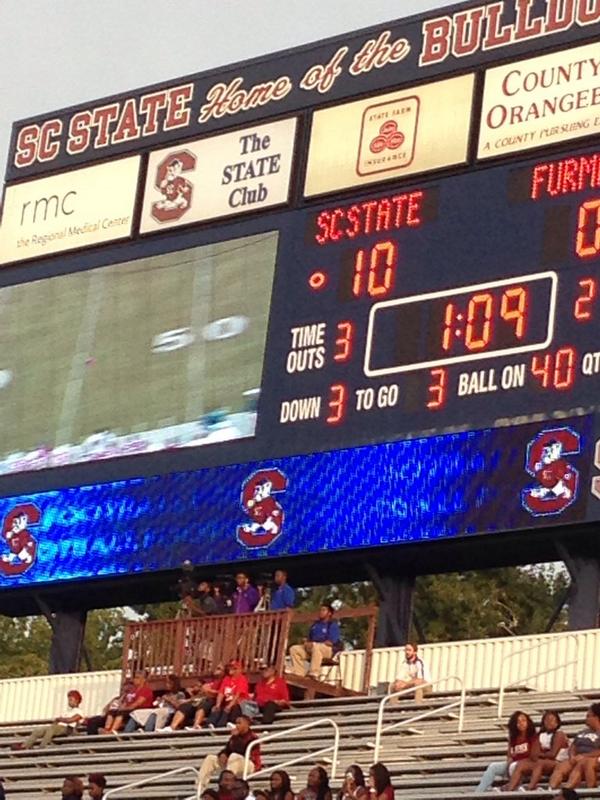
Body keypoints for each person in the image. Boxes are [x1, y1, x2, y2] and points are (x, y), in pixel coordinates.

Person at [474, 710, 536, 792]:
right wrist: (509, 763)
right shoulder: (513, 738)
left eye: (524, 720)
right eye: (518, 721)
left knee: (515, 766)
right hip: (513, 764)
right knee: (493, 766)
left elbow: (534, 756)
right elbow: (510, 755)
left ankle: (511, 787)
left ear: (528, 722)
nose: (521, 723)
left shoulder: (533, 737)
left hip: (526, 765)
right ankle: (479, 792)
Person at [507, 709, 569, 790]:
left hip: (558, 762)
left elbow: (552, 754)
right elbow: (534, 752)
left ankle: (531, 787)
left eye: (552, 720)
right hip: (543, 760)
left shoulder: (559, 734)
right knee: (520, 764)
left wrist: (538, 754)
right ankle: (510, 789)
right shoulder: (540, 734)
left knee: (539, 763)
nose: (549, 722)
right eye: (546, 720)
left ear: (557, 722)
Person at [197, 715, 262, 792]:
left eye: (239, 723)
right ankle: (200, 788)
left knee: (234, 756)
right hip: (233, 763)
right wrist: (223, 754)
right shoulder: (235, 737)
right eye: (236, 723)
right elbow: (227, 749)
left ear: (246, 724)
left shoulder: (253, 737)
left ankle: (227, 788)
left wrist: (236, 737)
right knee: (210, 758)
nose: (236, 725)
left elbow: (241, 750)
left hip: (250, 764)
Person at [549, 703, 600, 790]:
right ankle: (551, 789)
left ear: (596, 717)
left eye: (588, 716)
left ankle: (568, 790)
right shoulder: (582, 732)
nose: (586, 719)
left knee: (584, 763)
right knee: (561, 766)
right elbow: (573, 746)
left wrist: (584, 756)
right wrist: (572, 756)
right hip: (578, 758)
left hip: (592, 758)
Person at [14, 690, 85, 749]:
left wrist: (60, 719)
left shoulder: (79, 711)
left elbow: (71, 720)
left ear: (77, 700)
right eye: (69, 700)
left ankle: (42, 747)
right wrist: (58, 720)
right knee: (38, 730)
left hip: (68, 728)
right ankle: (25, 746)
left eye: (71, 700)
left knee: (51, 729)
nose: (69, 702)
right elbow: (58, 721)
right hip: (59, 727)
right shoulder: (67, 711)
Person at [164, 667, 225, 732]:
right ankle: (172, 727)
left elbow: (221, 692)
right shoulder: (211, 681)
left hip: (212, 700)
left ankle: (195, 726)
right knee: (184, 706)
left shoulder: (224, 681)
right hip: (201, 699)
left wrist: (209, 690)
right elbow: (201, 692)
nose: (215, 670)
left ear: (223, 672)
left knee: (202, 704)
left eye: (218, 669)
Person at [289, 604, 341, 679]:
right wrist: (306, 643)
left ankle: (313, 674)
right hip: (313, 649)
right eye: (320, 610)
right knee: (294, 649)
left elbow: (331, 642)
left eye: (323, 610)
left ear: (329, 613)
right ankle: (299, 673)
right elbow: (309, 639)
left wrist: (314, 644)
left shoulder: (332, 625)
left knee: (316, 647)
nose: (321, 612)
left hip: (328, 650)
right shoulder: (315, 625)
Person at [207, 661, 249, 728]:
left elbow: (238, 695)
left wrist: (229, 706)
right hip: (227, 702)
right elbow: (221, 693)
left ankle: (225, 725)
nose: (232, 670)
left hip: (238, 703)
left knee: (232, 708)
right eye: (231, 667)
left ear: (240, 670)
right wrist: (218, 704)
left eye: (235, 668)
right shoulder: (227, 679)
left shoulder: (242, 679)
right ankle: (210, 724)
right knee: (217, 708)